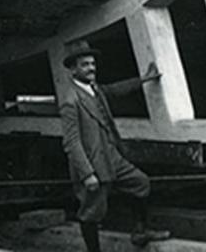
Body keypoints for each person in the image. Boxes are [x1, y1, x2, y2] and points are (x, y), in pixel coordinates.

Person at [59, 40, 170, 251]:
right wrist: (86, 174)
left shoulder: (95, 89)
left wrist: (145, 78)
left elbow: (117, 89)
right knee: (91, 211)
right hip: (93, 163)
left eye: (92, 63)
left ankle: (140, 231)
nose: (91, 68)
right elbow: (71, 142)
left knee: (140, 182)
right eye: (84, 64)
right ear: (73, 69)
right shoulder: (70, 100)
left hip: (112, 156)